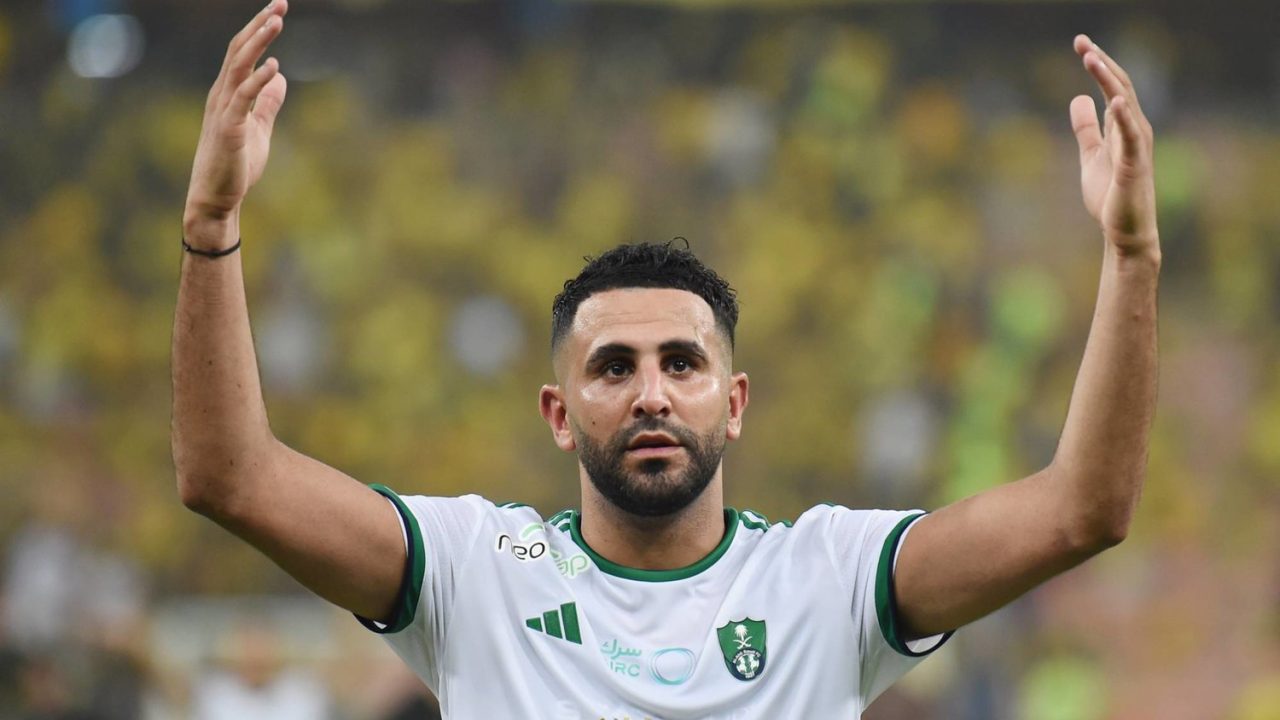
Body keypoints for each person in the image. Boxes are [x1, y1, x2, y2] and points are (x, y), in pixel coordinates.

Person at [171, 2, 1160, 716]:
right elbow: (231, 478)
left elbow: (1083, 511)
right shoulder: (485, 566)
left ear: (733, 403)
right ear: (559, 414)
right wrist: (212, 228)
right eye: (611, 368)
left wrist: (1128, 259)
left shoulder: (826, 575)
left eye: (680, 364)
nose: (650, 392)